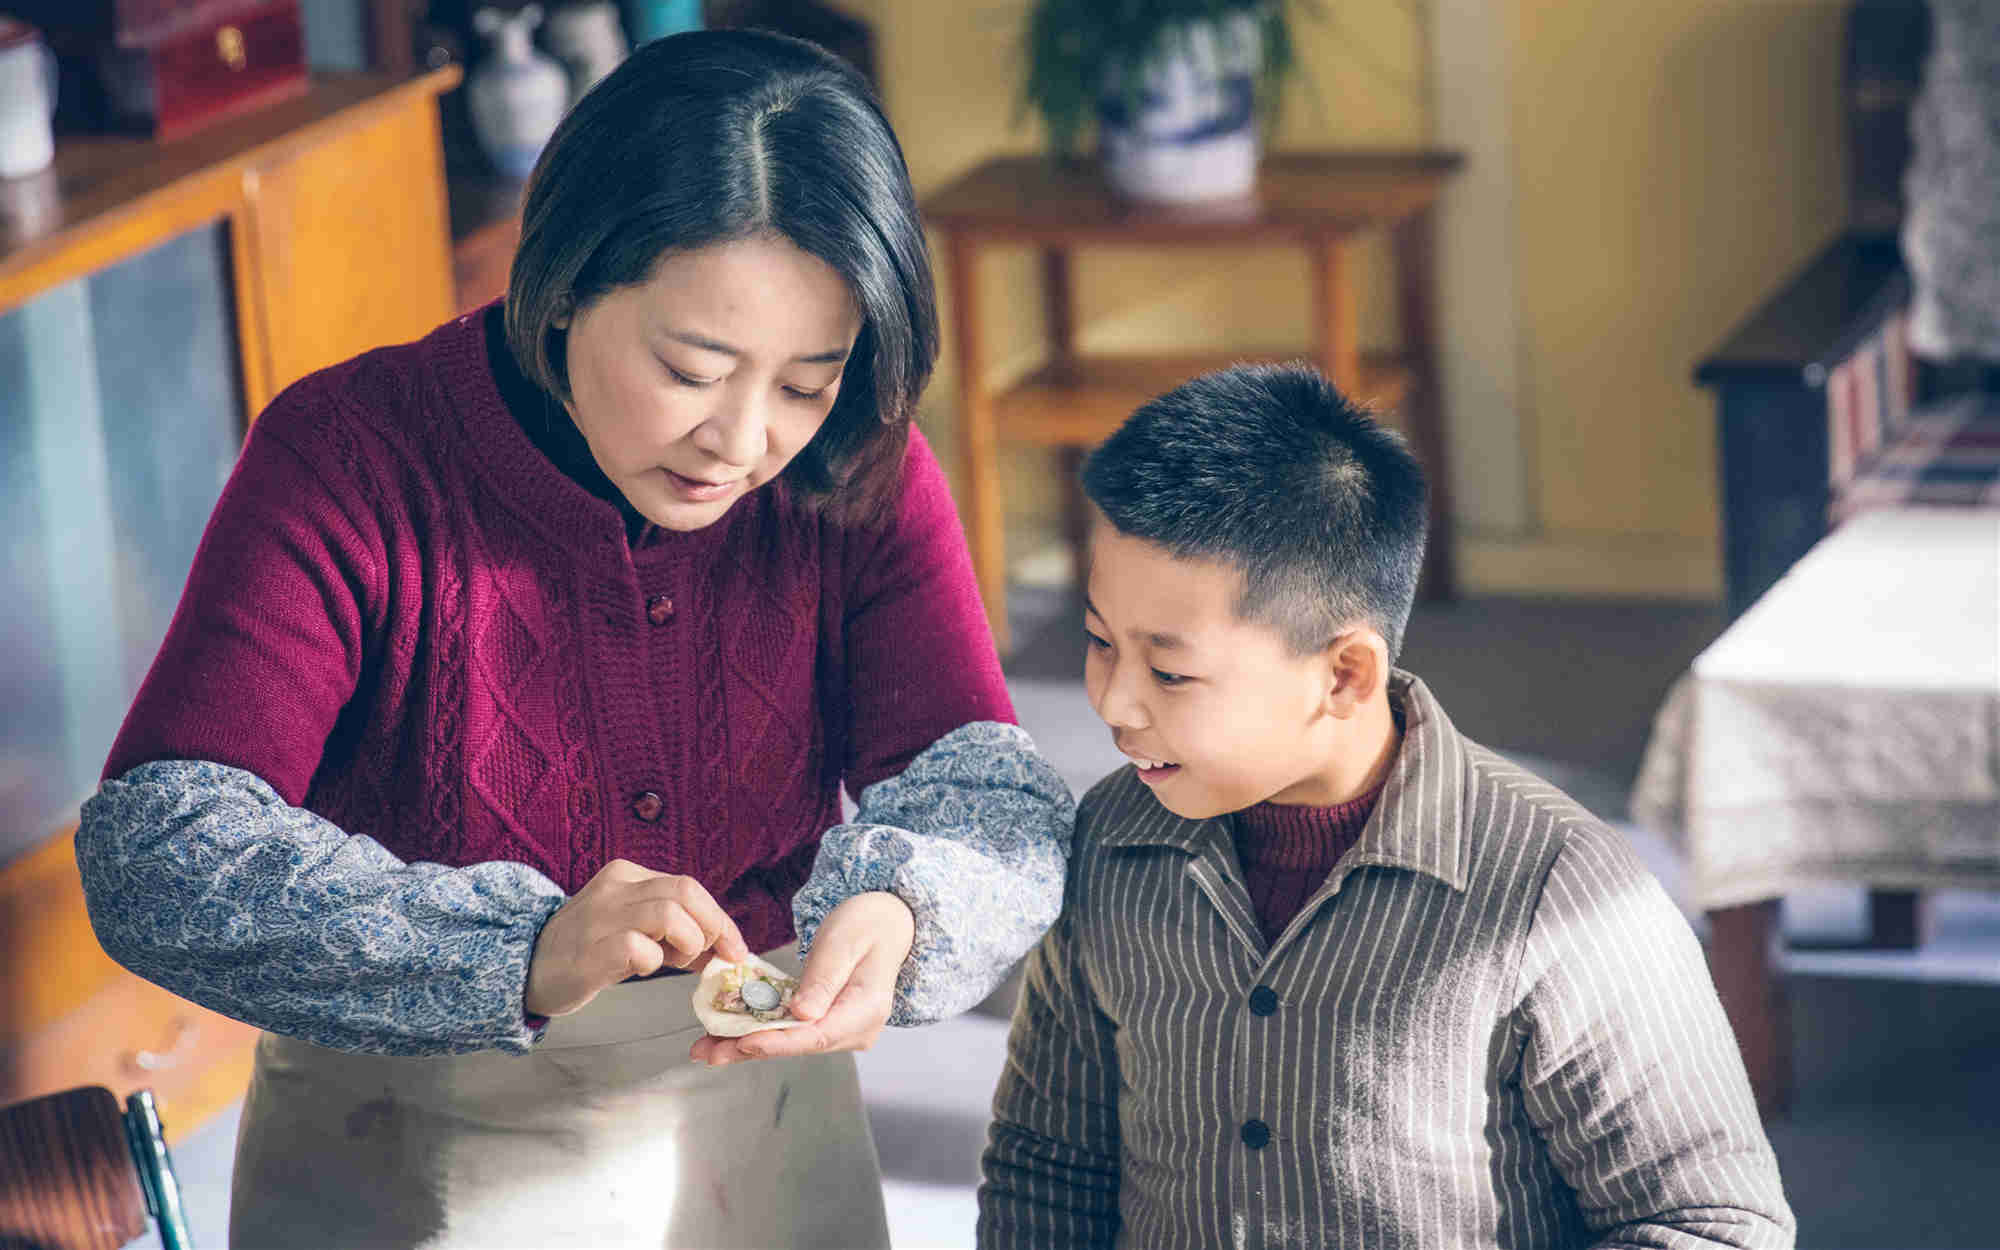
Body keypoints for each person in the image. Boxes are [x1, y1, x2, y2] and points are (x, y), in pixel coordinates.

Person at [74, 30, 1073, 1250]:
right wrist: (519, 948)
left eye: (804, 382)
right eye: (689, 366)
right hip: (408, 1145)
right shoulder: (352, 456)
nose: (742, 441)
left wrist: (909, 906)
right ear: (563, 282)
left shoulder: (852, 462)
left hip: (757, 1133)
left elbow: (990, 798)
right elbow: (159, 843)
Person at [977, 364, 1795, 1248]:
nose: (1115, 703)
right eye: (1100, 643)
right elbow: (1048, 1168)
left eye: (1170, 672)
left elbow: (1713, 1226)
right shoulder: (1107, 844)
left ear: (1344, 674)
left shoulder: (1560, 892)